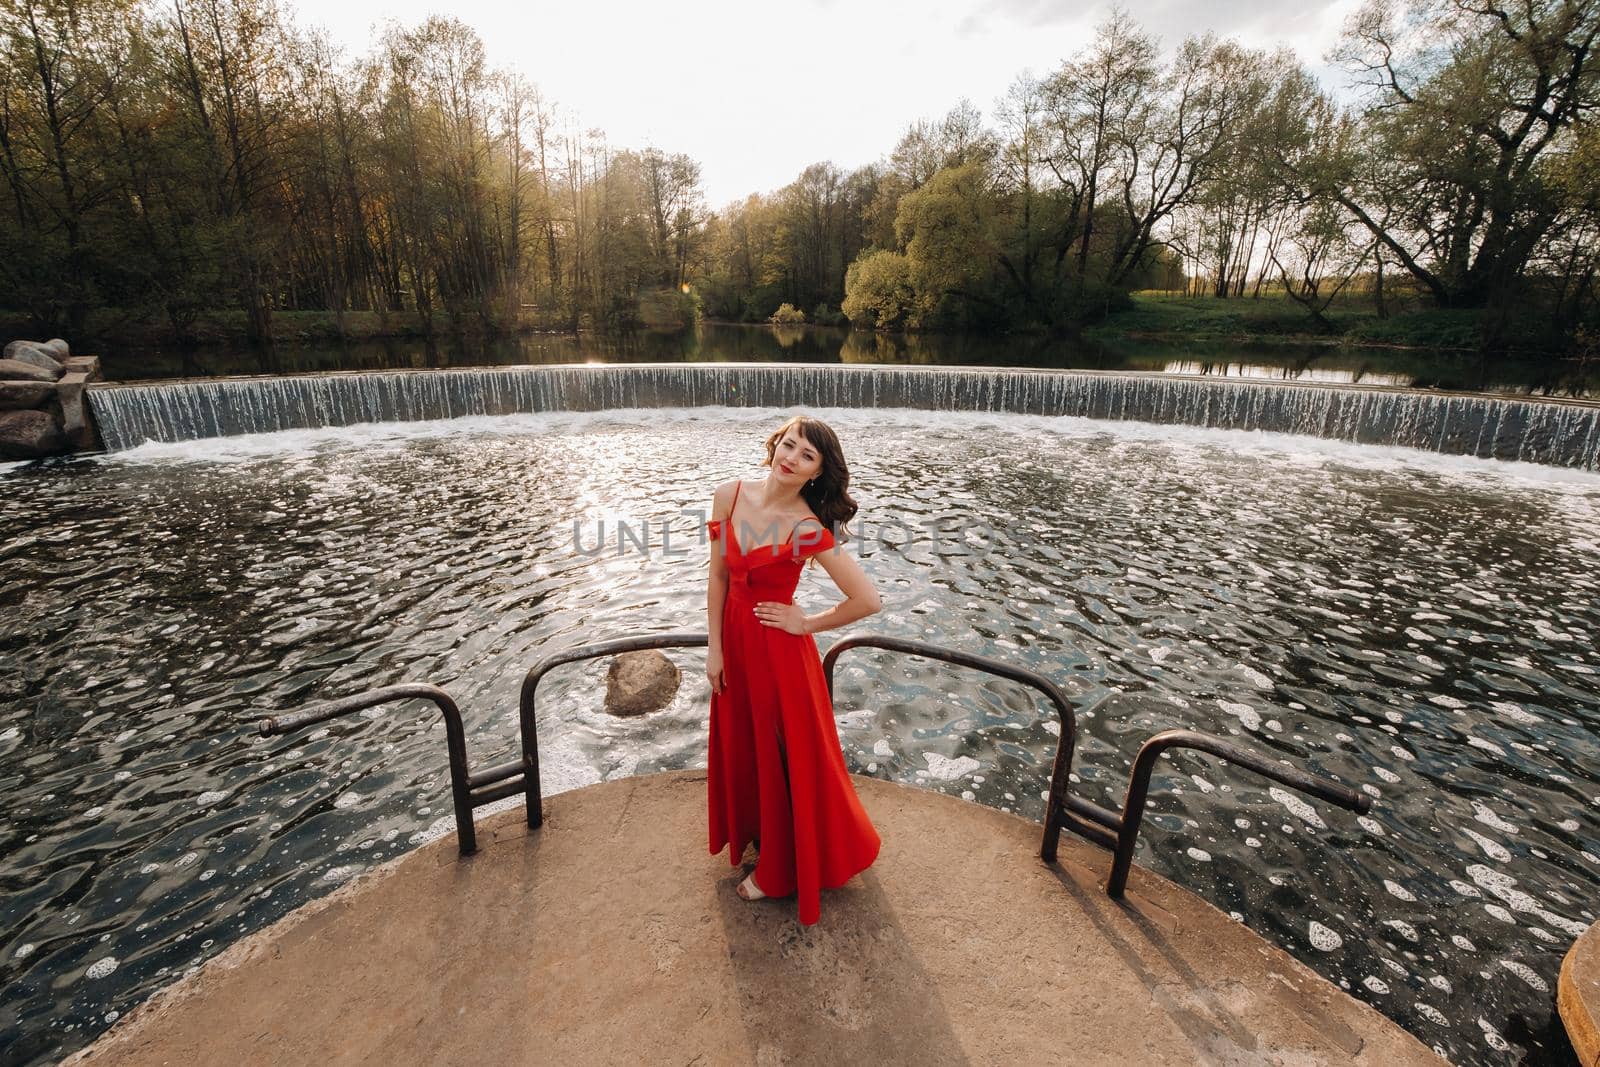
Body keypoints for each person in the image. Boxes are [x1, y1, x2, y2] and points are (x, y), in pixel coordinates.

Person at [704, 415, 883, 925]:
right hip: (735, 647)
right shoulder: (729, 495)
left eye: (806, 456)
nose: (791, 458)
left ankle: (780, 870)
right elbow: (717, 577)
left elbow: (867, 599)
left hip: (780, 656)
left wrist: (806, 624)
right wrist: (714, 649)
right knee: (748, 745)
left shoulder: (807, 529)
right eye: (789, 445)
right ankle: (764, 832)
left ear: (816, 474)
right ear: (774, 444)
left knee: (786, 756)